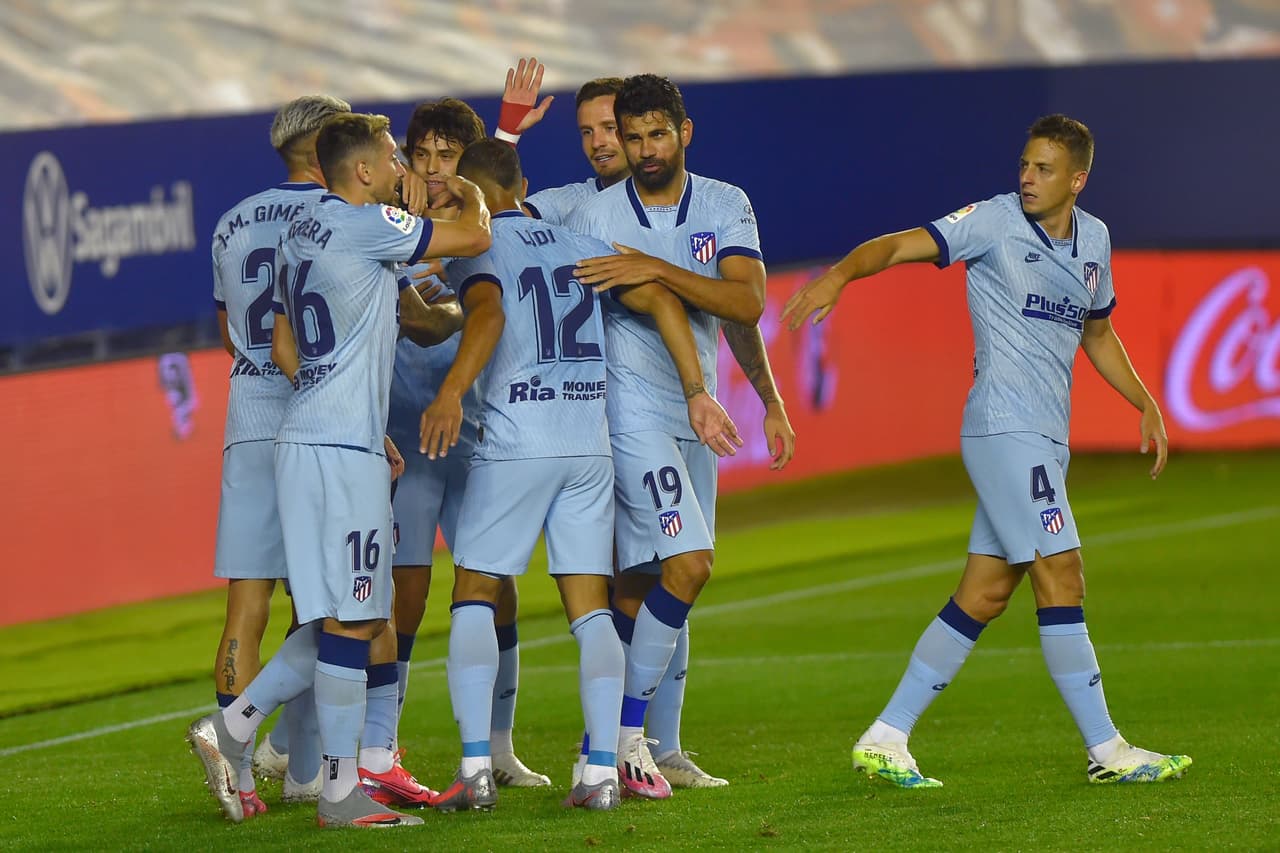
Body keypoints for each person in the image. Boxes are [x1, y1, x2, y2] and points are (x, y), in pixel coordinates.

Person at [780, 113, 1192, 787]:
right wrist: (841, 275)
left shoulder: (1095, 240)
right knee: (1063, 572)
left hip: (1044, 438)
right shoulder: (993, 221)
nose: (1027, 177)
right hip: (1004, 427)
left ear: (1077, 180)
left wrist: (1143, 400)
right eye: (1024, 164)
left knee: (986, 591)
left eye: (1044, 168)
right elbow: (899, 245)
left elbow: (1097, 333)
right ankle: (1108, 751)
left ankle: (886, 736)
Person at [186, 111, 490, 827]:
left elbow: (281, 343)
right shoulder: (368, 223)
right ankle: (333, 788)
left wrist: (339, 406)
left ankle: (237, 729)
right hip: (339, 452)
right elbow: (476, 236)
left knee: (348, 614)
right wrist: (468, 187)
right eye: (392, 156)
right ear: (362, 170)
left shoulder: (299, 230)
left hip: (305, 437)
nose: (401, 167)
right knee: (355, 618)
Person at [420, 139, 740, 812]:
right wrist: (697, 390)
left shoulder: (478, 246)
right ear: (522, 185)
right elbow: (661, 299)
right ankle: (600, 772)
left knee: (475, 591)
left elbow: (487, 312)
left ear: (474, 193)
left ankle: (476, 767)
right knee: (591, 607)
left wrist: (451, 391)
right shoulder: (578, 246)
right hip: (587, 447)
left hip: (517, 439)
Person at [568, 73, 797, 795]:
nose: (644, 150)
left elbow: (744, 304)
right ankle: (622, 737)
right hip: (630, 414)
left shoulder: (726, 203)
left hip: (698, 418)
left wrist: (770, 398)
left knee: (663, 578)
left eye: (656, 135)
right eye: (632, 137)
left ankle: (644, 746)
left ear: (684, 132)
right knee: (688, 564)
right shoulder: (596, 214)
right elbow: (655, 301)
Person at [369, 96, 549, 799]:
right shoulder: (390, 226)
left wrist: (503, 137)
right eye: (422, 154)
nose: (434, 167)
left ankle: (500, 749)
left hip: (474, 441)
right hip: (408, 444)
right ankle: (381, 747)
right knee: (404, 600)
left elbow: (497, 189)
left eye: (448, 155)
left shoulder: (482, 233)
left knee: (495, 591)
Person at [208, 94, 349, 817]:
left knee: (247, 604)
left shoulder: (230, 223)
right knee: (328, 600)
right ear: (326, 146)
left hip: (248, 414)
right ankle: (309, 769)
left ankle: (238, 772)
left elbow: (230, 330)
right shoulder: (337, 217)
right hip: (315, 414)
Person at [521, 76, 629, 225]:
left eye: (609, 128)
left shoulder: (663, 199)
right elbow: (501, 224)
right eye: (587, 132)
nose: (596, 143)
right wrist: (508, 135)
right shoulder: (565, 203)